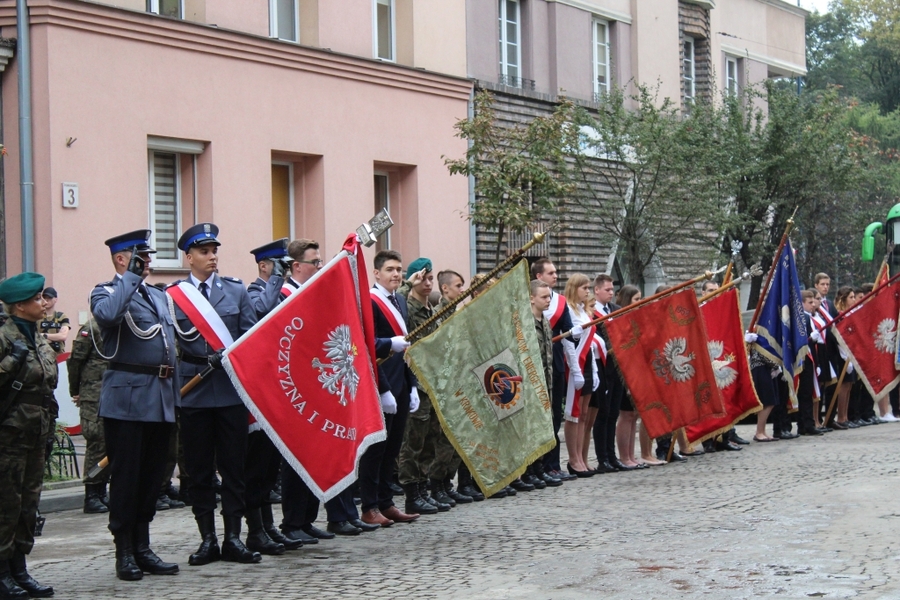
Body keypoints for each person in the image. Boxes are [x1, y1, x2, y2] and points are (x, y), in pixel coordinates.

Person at [169, 223, 260, 566]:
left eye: (214, 251)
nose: (212, 257)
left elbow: (251, 337)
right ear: (189, 257)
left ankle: (234, 537)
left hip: (229, 392)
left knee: (234, 468)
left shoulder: (235, 291)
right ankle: (207, 537)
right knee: (198, 470)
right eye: (204, 252)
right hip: (193, 390)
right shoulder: (173, 295)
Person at [91, 229, 179, 581]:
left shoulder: (156, 296)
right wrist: (129, 277)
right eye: (140, 257)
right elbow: (109, 316)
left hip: (160, 397)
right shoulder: (107, 291)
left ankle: (143, 546)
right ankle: (124, 550)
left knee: (151, 477)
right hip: (127, 400)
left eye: (149, 256)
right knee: (127, 478)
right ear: (121, 259)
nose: (149, 262)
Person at [276, 239, 339, 545]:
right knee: (296, 457)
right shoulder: (284, 296)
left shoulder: (312, 296)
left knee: (314, 453)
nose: (320, 267)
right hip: (293, 389)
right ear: (296, 266)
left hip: (315, 385)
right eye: (315, 262)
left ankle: (308, 517)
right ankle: (292, 521)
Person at [0, 273, 57, 599]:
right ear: (20, 305)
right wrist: (12, 360)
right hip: (9, 435)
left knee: (28, 504)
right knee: (6, 505)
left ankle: (20, 568)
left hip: (37, 432)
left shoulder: (37, 336)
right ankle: (3, 571)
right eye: (37, 299)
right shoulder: (6, 338)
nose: (44, 303)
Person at [242, 239, 295, 553]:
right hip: (257, 393)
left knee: (269, 466)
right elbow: (261, 313)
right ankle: (255, 530)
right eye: (278, 264)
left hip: (276, 390)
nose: (283, 270)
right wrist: (278, 280)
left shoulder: (281, 292)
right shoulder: (251, 292)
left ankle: (268, 525)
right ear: (264, 265)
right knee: (257, 467)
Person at [359, 249, 420, 525]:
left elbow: (406, 348)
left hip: (401, 384)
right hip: (379, 385)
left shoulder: (400, 301)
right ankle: (369, 505)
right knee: (376, 451)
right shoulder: (370, 303)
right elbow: (363, 345)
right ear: (376, 273)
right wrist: (384, 388)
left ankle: (386, 503)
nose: (396, 274)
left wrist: (412, 386)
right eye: (390, 270)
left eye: (399, 269)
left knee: (392, 450)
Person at [531, 258, 579, 483]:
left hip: (555, 367)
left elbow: (568, 330)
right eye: (551, 273)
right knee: (538, 422)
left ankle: (552, 465)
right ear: (538, 277)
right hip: (535, 373)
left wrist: (575, 334)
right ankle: (538, 468)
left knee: (554, 419)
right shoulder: (529, 309)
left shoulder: (558, 303)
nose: (556, 276)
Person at [67, 318, 110, 514]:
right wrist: (76, 389)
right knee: (97, 442)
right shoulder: (91, 328)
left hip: (114, 392)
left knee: (111, 444)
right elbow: (75, 361)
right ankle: (91, 493)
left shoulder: (120, 325)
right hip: (94, 394)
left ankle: (102, 491)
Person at [561, 274, 596, 476]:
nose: (587, 291)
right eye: (584, 288)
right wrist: (575, 369)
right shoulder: (569, 310)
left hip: (588, 361)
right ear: (574, 288)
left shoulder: (584, 310)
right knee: (573, 414)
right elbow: (570, 343)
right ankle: (573, 459)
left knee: (584, 413)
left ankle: (582, 457)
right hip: (575, 363)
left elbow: (591, 342)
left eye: (588, 288)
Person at [38, 288, 69, 355]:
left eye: (49, 298)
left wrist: (44, 335)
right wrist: (55, 337)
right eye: (44, 298)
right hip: (42, 354)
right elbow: (34, 337)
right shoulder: (37, 317)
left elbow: (63, 336)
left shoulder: (61, 316)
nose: (46, 300)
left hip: (58, 355)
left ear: (55, 299)